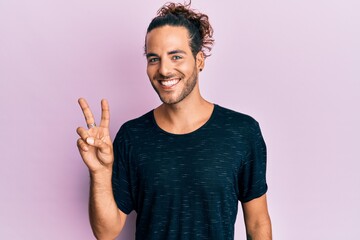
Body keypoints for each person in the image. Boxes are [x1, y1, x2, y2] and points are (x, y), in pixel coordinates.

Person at [76, 2, 272, 240]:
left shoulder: (242, 132)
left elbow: (258, 223)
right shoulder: (132, 136)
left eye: (176, 56)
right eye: (153, 59)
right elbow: (106, 232)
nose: (164, 70)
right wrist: (99, 172)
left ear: (199, 60)